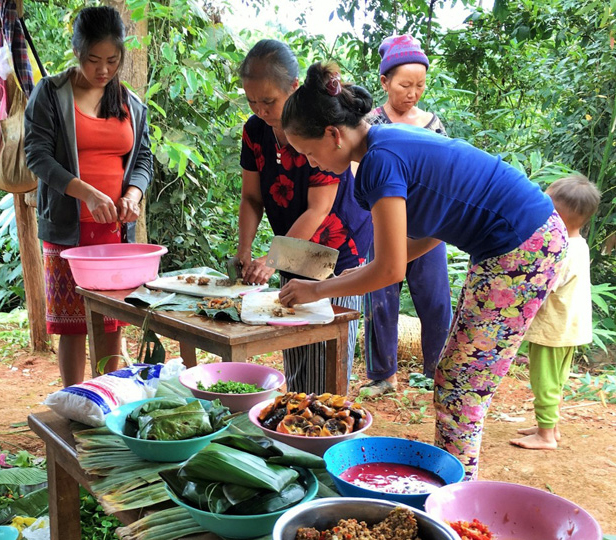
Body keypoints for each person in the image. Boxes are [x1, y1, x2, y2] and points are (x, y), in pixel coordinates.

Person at [278, 62, 567, 479]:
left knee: (460, 384)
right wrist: (370, 268)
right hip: (518, 241)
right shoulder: (385, 142)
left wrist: (318, 289)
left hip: (522, 247)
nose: (311, 163)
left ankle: (456, 493)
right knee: (456, 377)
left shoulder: (378, 162)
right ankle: (456, 483)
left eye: (307, 152)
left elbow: (390, 271)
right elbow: (436, 228)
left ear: (332, 134)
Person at [25, 6, 153, 387]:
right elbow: (37, 156)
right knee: (72, 324)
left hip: (114, 231)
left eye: (112, 60)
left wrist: (133, 192)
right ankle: (74, 399)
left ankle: (107, 397)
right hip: (67, 229)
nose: (103, 70)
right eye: (94, 60)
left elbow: (143, 158)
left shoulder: (130, 103)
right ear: (76, 50)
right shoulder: (51, 93)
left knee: (111, 319)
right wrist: (86, 194)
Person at [236, 39, 373, 395]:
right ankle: (297, 424)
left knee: (328, 354)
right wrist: (245, 252)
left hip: (336, 250)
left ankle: (326, 432)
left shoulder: (317, 126)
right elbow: (252, 198)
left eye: (269, 101)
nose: (261, 110)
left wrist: (273, 256)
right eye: (252, 101)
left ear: (293, 88)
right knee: (295, 349)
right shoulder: (254, 131)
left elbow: (319, 208)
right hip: (292, 248)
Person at [360, 34, 453, 397]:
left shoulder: (433, 123)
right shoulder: (371, 123)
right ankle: (383, 376)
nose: (412, 93)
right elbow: (360, 174)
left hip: (428, 227)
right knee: (379, 297)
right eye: (404, 85)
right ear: (384, 82)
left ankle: (438, 374)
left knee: (435, 300)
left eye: (419, 85)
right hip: (382, 224)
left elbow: (446, 175)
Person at [510, 174, 600, 450]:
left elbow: (545, 286)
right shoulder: (579, 245)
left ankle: (546, 436)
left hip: (553, 329)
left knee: (544, 382)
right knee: (556, 380)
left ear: (557, 217)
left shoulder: (561, 250)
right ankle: (549, 426)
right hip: (571, 326)